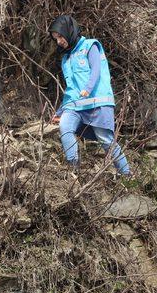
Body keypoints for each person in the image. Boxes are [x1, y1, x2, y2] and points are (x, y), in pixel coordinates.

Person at [49, 15, 131, 175]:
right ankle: (73, 169)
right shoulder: (66, 58)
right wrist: (60, 111)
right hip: (75, 105)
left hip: (97, 102)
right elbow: (71, 88)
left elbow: (96, 70)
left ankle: (126, 175)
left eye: (60, 36)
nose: (58, 41)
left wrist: (88, 88)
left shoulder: (90, 45)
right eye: (55, 38)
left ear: (68, 30)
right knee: (65, 127)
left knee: (106, 140)